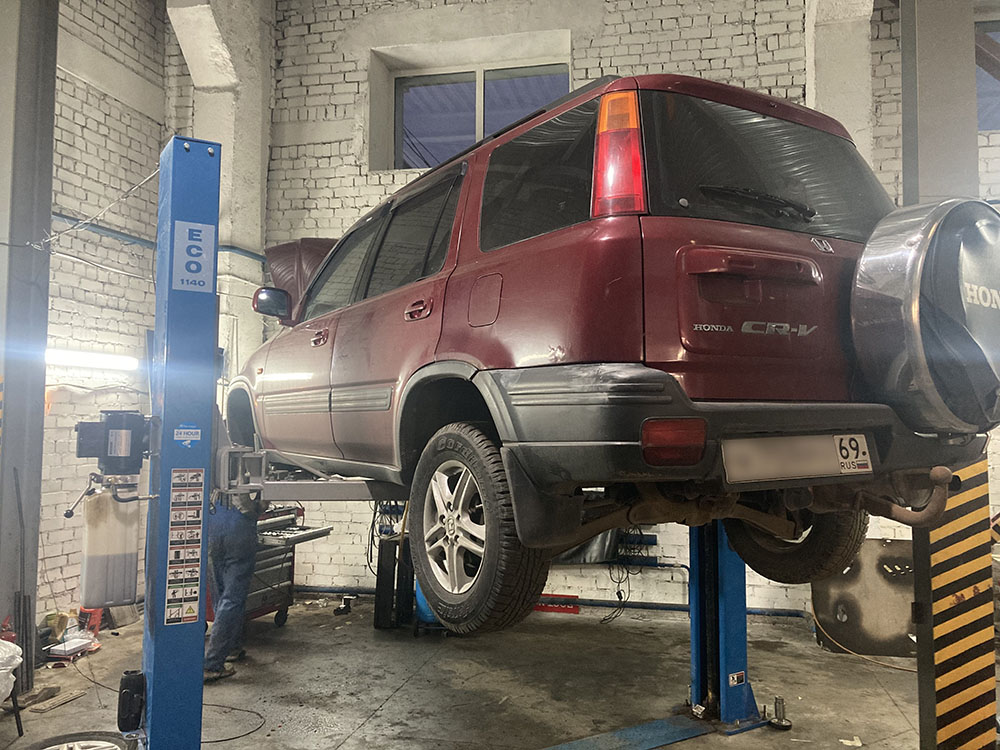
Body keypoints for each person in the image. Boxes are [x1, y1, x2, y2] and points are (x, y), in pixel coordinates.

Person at [203, 407, 267, 682]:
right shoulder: (249, 458)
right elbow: (260, 502)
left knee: (221, 592)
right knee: (233, 597)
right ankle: (212, 663)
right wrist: (259, 507)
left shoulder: (213, 452)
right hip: (238, 528)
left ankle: (231, 647)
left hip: (214, 522)